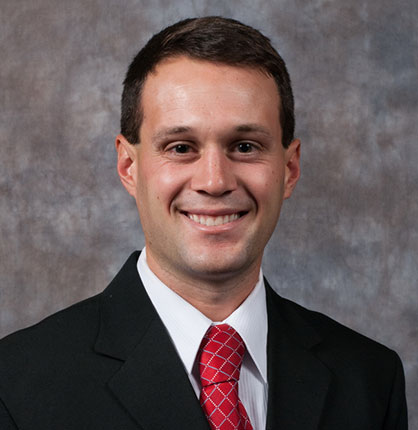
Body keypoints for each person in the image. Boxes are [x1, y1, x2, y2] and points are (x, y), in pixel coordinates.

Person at [0, 16, 407, 430]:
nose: (214, 181)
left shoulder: (370, 379)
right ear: (128, 166)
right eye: (181, 148)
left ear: (289, 169)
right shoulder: (16, 385)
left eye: (245, 146)